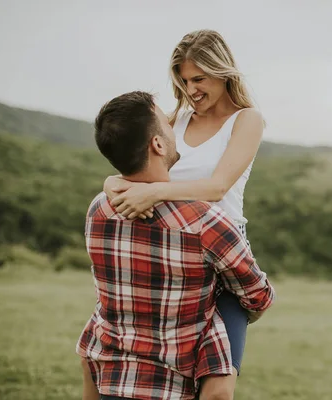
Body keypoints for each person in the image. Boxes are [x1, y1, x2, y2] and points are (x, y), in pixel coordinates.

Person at [77, 90, 275, 400]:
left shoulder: (99, 210)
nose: (175, 128)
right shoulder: (205, 223)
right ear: (157, 144)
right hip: (171, 390)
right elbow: (259, 297)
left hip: (113, 385)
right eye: (167, 124)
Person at [103, 29, 265, 397]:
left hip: (224, 259)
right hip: (169, 256)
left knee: (219, 383)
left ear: (222, 71)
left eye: (199, 79)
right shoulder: (174, 120)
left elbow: (217, 187)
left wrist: (157, 192)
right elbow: (138, 165)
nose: (191, 89)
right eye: (184, 80)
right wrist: (111, 183)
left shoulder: (247, 120)